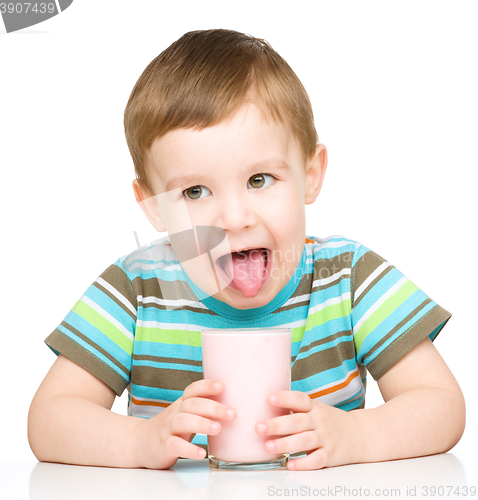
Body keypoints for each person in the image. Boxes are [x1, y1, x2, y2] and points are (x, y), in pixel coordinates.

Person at [28, 29, 465, 471]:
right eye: (195, 191)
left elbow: (441, 405)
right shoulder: (137, 288)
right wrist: (139, 440)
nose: (234, 219)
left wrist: (356, 436)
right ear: (154, 207)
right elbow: (50, 419)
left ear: (310, 174)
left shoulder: (347, 279)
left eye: (259, 180)